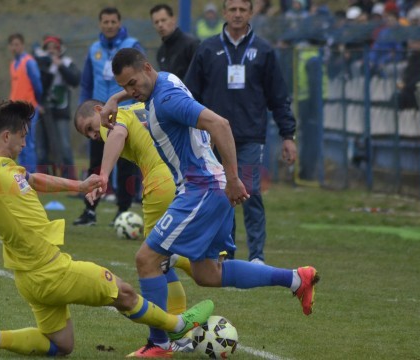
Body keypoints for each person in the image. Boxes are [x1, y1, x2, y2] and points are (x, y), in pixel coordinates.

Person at [0, 99, 214, 358]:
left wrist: (81, 185)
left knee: (61, 344)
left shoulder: (5, 166)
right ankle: (179, 327)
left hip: (28, 278)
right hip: (51, 271)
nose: (25, 143)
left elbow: (35, 179)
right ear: (6, 136)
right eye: (22, 137)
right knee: (125, 293)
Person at [100, 48, 319, 356]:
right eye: (126, 87)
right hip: (206, 186)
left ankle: (159, 344)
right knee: (207, 274)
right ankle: (296, 278)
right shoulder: (164, 80)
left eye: (133, 84)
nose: (131, 91)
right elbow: (141, 87)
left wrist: (233, 178)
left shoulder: (166, 101)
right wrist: (115, 99)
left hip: (200, 188)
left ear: (147, 68)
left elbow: (221, 125)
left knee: (146, 259)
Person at [74, 100, 199, 354]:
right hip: (186, 174)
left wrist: (104, 176)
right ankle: (179, 326)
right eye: (87, 134)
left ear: (99, 110)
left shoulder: (111, 119)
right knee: (159, 257)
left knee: (151, 260)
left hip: (159, 183)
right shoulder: (141, 103)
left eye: (89, 127)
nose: (93, 135)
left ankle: (168, 336)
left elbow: (117, 133)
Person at [183, 0, 298, 265]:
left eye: (242, 10)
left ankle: (257, 256)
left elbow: (278, 97)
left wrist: (288, 136)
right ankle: (226, 254)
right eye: (232, 9)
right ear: (224, 13)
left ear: (251, 13)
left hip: (249, 137)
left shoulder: (264, 51)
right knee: (220, 196)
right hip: (211, 138)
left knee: (251, 193)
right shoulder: (207, 49)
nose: (237, 14)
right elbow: (190, 95)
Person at [74, 6, 145, 226]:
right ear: (100, 24)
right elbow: (86, 83)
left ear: (120, 22)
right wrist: (83, 111)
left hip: (124, 115)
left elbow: (142, 76)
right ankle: (90, 210)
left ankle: (122, 210)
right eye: (105, 22)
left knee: (126, 164)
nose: (109, 25)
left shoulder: (131, 45)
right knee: (96, 164)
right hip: (97, 117)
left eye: (113, 21)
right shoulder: (94, 49)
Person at [33, 35, 79, 179]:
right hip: (43, 111)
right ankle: (44, 178)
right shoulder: (39, 64)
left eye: (55, 48)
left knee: (64, 146)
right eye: (49, 48)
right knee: (42, 147)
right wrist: (48, 66)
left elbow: (75, 79)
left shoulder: (66, 62)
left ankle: (69, 177)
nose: (52, 51)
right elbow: (38, 84)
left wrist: (59, 66)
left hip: (60, 112)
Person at [8, 33, 41, 173]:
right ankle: (22, 174)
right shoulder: (13, 64)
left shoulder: (29, 62)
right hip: (16, 110)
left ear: (22, 45)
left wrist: (38, 103)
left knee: (28, 143)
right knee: (17, 143)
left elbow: (38, 85)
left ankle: (31, 176)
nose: (15, 48)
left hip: (29, 109)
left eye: (17, 44)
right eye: (12, 45)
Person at [150, 4, 200, 80]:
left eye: (163, 20)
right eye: (156, 22)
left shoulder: (191, 44)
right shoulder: (160, 52)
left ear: (173, 19)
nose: (160, 25)